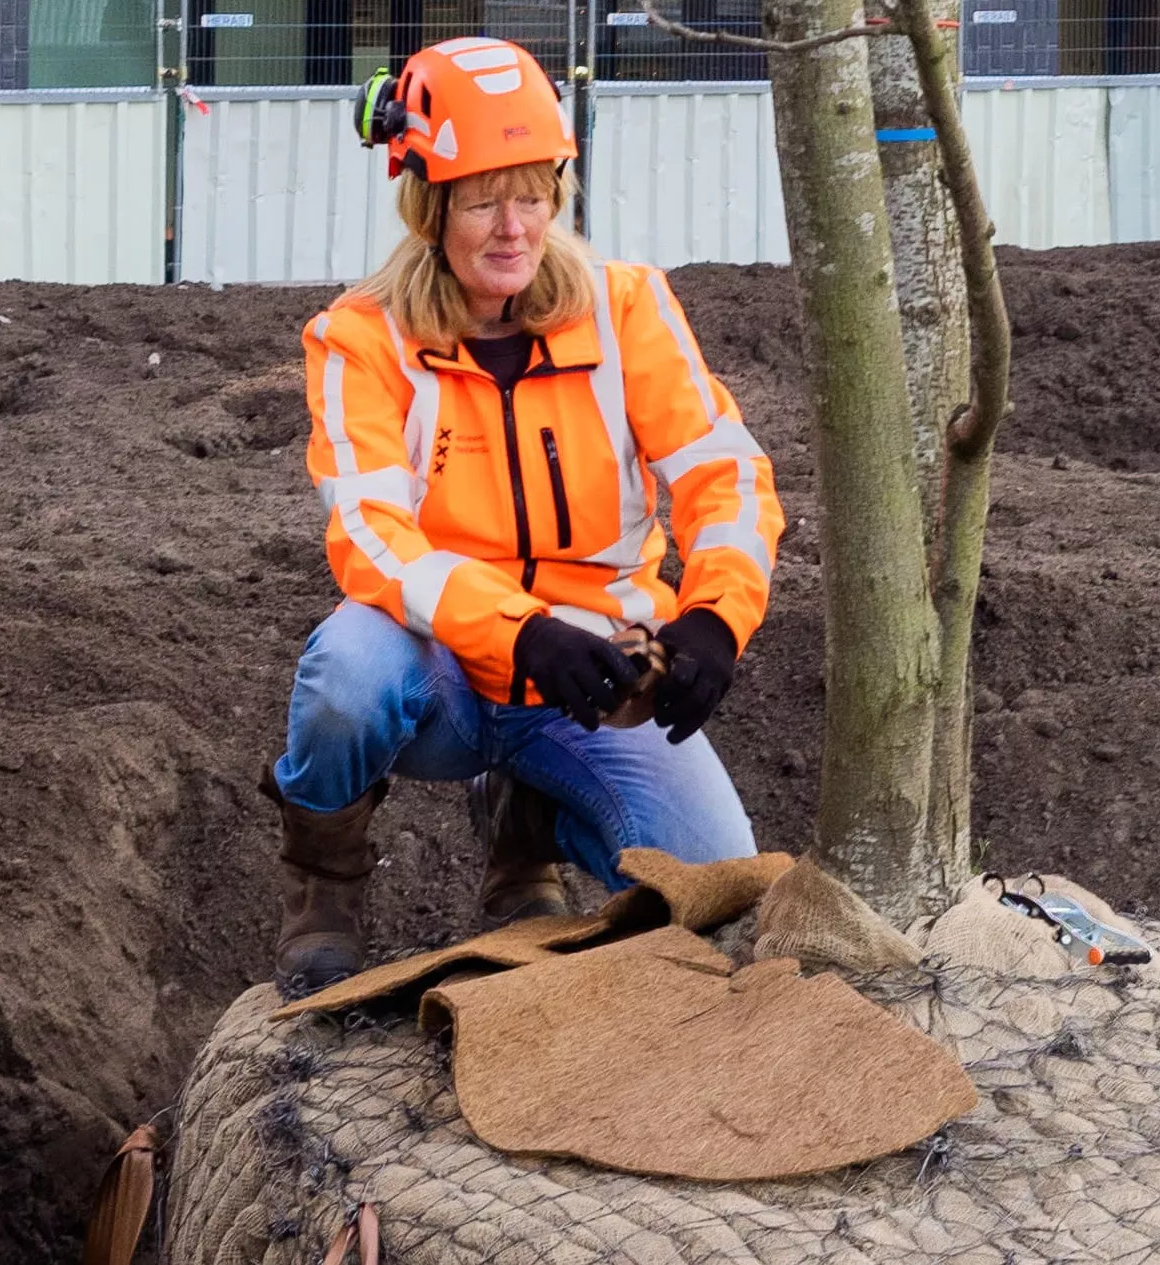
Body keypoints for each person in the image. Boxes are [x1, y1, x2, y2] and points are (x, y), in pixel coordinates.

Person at [262, 36, 787, 999]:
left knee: (716, 882)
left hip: (592, 670)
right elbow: (372, 536)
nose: (515, 227)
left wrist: (716, 616)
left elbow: (727, 474)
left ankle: (524, 816)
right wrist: (518, 633)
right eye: (481, 198)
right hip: (441, 671)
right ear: (429, 204)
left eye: (535, 193)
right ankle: (324, 882)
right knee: (344, 673)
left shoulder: (628, 309)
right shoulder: (359, 338)